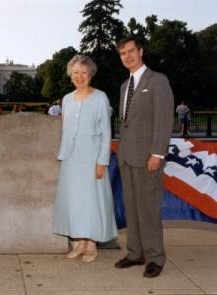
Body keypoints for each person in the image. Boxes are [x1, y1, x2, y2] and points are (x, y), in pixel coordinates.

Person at [114, 37, 174, 278]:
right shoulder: (123, 86)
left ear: (141, 51)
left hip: (148, 158)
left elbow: (163, 119)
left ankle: (155, 257)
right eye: (122, 53)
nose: (127, 56)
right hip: (127, 158)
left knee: (148, 209)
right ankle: (135, 252)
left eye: (131, 51)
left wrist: (157, 153)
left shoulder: (157, 81)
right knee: (132, 208)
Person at [53, 54, 117, 264]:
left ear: (90, 75)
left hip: (92, 159)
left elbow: (106, 132)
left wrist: (102, 161)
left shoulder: (100, 98)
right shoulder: (66, 99)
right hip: (71, 159)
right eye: (76, 72)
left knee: (91, 202)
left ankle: (92, 244)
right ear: (71, 75)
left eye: (84, 72)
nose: (79, 76)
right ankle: (80, 242)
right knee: (75, 202)